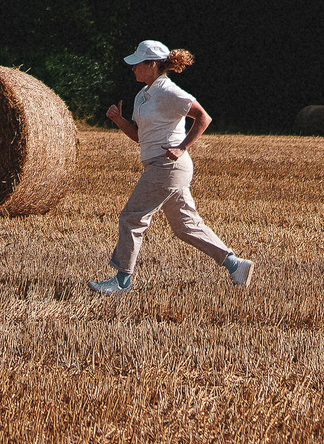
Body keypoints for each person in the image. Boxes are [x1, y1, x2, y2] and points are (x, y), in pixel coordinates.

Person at [90, 39, 254, 293]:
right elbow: (139, 136)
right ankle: (236, 264)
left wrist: (182, 147)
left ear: (152, 64)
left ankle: (122, 280)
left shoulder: (169, 92)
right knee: (185, 225)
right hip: (160, 165)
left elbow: (203, 117)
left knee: (132, 217)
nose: (133, 68)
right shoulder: (143, 95)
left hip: (167, 166)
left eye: (137, 64)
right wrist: (119, 120)